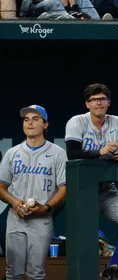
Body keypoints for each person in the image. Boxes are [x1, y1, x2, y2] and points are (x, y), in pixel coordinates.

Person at [65, 83, 118, 280]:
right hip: (82, 190)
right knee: (84, 239)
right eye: (94, 100)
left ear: (108, 103)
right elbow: (72, 152)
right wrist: (99, 152)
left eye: (102, 99)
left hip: (107, 190)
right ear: (87, 104)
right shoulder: (77, 122)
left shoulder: (117, 122)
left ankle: (112, 267)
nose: (98, 103)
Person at [0, 105, 67, 280]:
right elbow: (0, 187)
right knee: (13, 273)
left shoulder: (58, 154)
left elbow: (65, 188)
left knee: (36, 273)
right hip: (16, 219)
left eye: (35, 119)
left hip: (41, 220)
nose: (30, 123)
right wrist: (15, 202)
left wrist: (45, 207)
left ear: (45, 125)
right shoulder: (12, 153)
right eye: (26, 119)